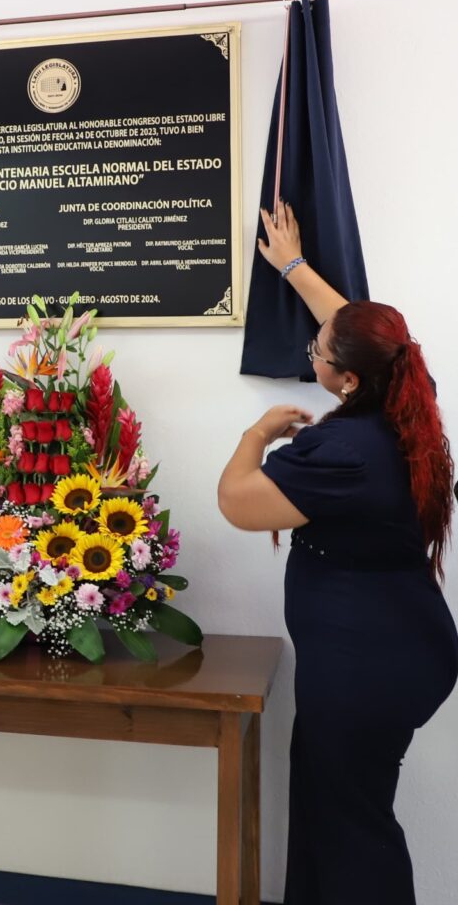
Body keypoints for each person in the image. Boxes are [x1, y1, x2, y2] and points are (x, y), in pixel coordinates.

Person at [218, 201, 458, 905]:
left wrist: (257, 435)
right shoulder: (405, 400)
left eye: (316, 353)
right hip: (396, 651)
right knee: (330, 812)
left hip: (365, 670)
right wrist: (293, 267)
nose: (311, 354)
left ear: (346, 380)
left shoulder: (342, 451)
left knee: (352, 826)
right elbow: (365, 329)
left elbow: (238, 503)